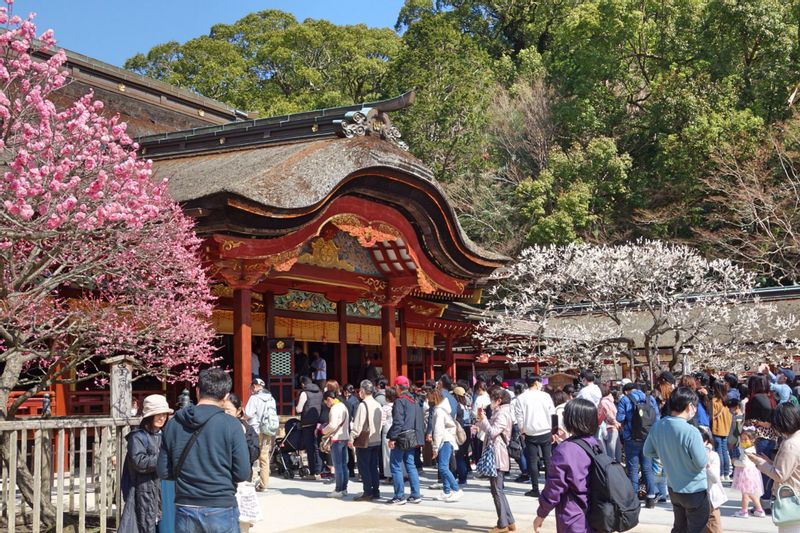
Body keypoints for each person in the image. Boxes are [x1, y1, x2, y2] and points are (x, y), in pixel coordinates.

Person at [157, 368, 251, 533]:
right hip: (220, 504)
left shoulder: (173, 424)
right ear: (226, 396)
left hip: (185, 504)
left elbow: (164, 471)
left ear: (197, 390)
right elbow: (242, 473)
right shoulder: (232, 425)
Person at [644, 387, 709, 533]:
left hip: (674, 487)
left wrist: (666, 454)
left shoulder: (659, 425)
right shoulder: (691, 431)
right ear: (690, 406)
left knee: (679, 527)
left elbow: (648, 451)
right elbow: (700, 463)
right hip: (694, 489)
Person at [533, 398, 599, 533]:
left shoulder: (565, 450)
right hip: (598, 513)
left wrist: (541, 514)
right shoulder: (595, 444)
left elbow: (554, 487)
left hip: (573, 517)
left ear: (570, 420)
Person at [120, 395, 173, 533]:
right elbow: (140, 462)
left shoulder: (166, 434)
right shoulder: (137, 437)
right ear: (149, 416)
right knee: (146, 525)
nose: (162, 418)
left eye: (164, 414)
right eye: (158, 414)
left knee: (166, 526)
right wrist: (165, 458)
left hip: (166, 488)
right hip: (145, 489)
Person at [750, 403, 800, 533]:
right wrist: (771, 463)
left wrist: (760, 462)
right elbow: (791, 468)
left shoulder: (790, 444)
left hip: (793, 500)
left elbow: (780, 475)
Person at [477, 387, 516, 533]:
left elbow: (493, 432)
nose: (490, 403)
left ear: (498, 400)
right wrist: (481, 420)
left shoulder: (502, 413)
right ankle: (509, 521)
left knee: (496, 490)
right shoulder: (500, 412)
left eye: (492, 400)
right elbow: (489, 429)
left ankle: (503, 524)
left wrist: (485, 420)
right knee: (498, 490)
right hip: (496, 453)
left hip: (497, 454)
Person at [617, 381, 659, 507]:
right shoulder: (650, 398)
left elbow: (619, 418)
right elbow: (657, 418)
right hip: (647, 437)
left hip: (631, 438)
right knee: (647, 467)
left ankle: (634, 498)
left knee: (633, 469)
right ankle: (651, 497)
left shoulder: (625, 400)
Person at [223, 394, 260, 533]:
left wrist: (242, 439)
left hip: (241, 481)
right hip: (223, 482)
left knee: (242, 521)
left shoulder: (247, 429)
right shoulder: (217, 427)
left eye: (228, 410)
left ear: (238, 411)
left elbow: (254, 453)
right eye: (222, 410)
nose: (225, 414)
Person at [514, 374, 555, 497]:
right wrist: (555, 431)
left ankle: (535, 488)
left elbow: (519, 417)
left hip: (530, 432)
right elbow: (552, 414)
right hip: (546, 430)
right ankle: (549, 488)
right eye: (540, 382)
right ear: (536, 382)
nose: (542, 384)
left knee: (532, 460)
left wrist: (522, 431)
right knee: (548, 460)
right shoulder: (545, 396)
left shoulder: (521, 398)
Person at [386, 375, 424, 505]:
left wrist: (392, 437)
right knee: (410, 464)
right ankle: (415, 494)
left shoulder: (400, 401)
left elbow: (398, 422)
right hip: (413, 435)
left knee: (395, 465)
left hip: (401, 436)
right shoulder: (415, 399)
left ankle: (399, 495)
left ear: (397, 387)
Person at [745, 373, 778, 499]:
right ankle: (769, 495)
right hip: (772, 437)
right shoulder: (772, 399)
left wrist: (758, 423)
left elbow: (749, 420)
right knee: (770, 467)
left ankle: (764, 498)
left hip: (760, 436)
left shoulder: (755, 399)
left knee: (762, 468)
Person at [350, 379, 382, 501]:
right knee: (374, 467)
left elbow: (358, 425)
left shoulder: (363, 405)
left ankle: (367, 491)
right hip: (376, 439)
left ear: (363, 391)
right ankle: (376, 491)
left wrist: (352, 437)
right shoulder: (377, 404)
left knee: (364, 467)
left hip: (365, 441)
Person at [243, 378, 278, 492]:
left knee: (250, 454)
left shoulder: (254, 398)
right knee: (264, 457)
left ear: (254, 386)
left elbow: (248, 413)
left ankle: (248, 479)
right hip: (267, 430)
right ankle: (264, 484)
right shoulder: (271, 398)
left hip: (255, 430)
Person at [429, 388, 463, 502]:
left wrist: (435, 447)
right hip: (447, 439)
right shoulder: (444, 409)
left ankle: (456, 489)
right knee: (444, 467)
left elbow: (438, 431)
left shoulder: (438, 411)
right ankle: (446, 491)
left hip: (444, 440)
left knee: (443, 467)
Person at [730, 429, 765, 518]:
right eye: (741, 439)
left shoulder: (747, 450)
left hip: (746, 474)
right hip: (750, 473)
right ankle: (759, 510)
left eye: (745, 439)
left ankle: (744, 511)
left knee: (745, 493)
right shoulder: (749, 448)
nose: (743, 441)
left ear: (752, 440)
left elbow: (744, 463)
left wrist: (735, 461)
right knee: (751, 493)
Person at [322, 390, 350, 497]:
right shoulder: (343, 405)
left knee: (338, 465)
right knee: (343, 465)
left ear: (329, 399)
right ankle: (344, 488)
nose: (327, 405)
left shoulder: (334, 409)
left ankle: (338, 489)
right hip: (344, 437)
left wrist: (324, 430)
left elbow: (333, 425)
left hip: (336, 439)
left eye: (326, 402)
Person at [700, 428, 727, 533]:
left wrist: (705, 462)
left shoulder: (712, 456)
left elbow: (715, 478)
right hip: (695, 497)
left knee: (714, 525)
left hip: (710, 497)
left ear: (706, 442)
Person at [296, 376, 322, 480]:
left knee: (310, 448)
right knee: (317, 447)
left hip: (307, 423)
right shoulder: (320, 392)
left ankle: (312, 472)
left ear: (303, 384)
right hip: (318, 423)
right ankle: (319, 471)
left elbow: (299, 409)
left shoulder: (304, 393)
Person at [709, 381, 732, 483]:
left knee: (719, 452)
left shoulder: (714, 401)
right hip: (726, 429)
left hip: (717, 428)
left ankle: (721, 473)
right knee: (724, 451)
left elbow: (711, 416)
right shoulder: (727, 401)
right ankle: (727, 473)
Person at [452, 386, 472, 486]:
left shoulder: (457, 406)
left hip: (460, 430)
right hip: (467, 430)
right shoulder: (466, 405)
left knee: (459, 456)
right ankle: (464, 475)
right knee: (464, 455)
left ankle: (462, 477)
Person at [598, 382, 621, 462]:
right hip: (616, 428)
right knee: (617, 452)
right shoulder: (611, 400)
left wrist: (614, 423)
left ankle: (613, 472)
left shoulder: (603, 402)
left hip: (610, 427)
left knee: (611, 455)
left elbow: (608, 415)